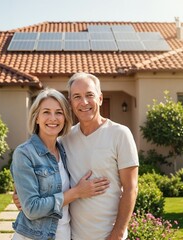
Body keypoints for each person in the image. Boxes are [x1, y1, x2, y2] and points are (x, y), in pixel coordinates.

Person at [10, 88, 110, 240]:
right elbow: (31, 208)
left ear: (65, 118)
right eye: (46, 112)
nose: (53, 118)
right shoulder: (24, 153)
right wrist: (77, 192)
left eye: (59, 112)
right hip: (35, 236)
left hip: (64, 233)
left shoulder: (64, 148)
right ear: (36, 117)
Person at [61, 72, 139, 240]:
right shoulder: (65, 139)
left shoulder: (120, 134)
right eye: (77, 97)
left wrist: (116, 236)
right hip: (73, 236)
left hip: (109, 236)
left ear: (100, 98)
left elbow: (131, 189)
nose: (84, 102)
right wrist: (21, 195)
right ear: (70, 102)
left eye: (90, 95)